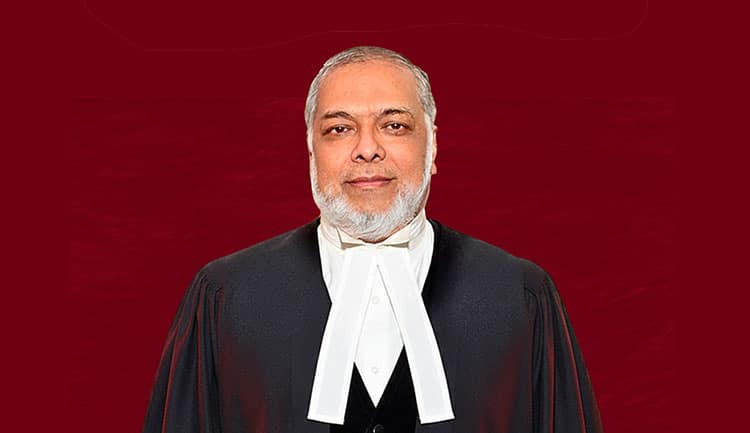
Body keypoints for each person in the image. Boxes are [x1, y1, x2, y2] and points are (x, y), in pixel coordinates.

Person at [141, 46, 605, 433]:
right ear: (311, 150)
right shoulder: (224, 297)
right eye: (339, 129)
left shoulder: (521, 296)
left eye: (394, 125)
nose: (367, 149)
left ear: (433, 146)